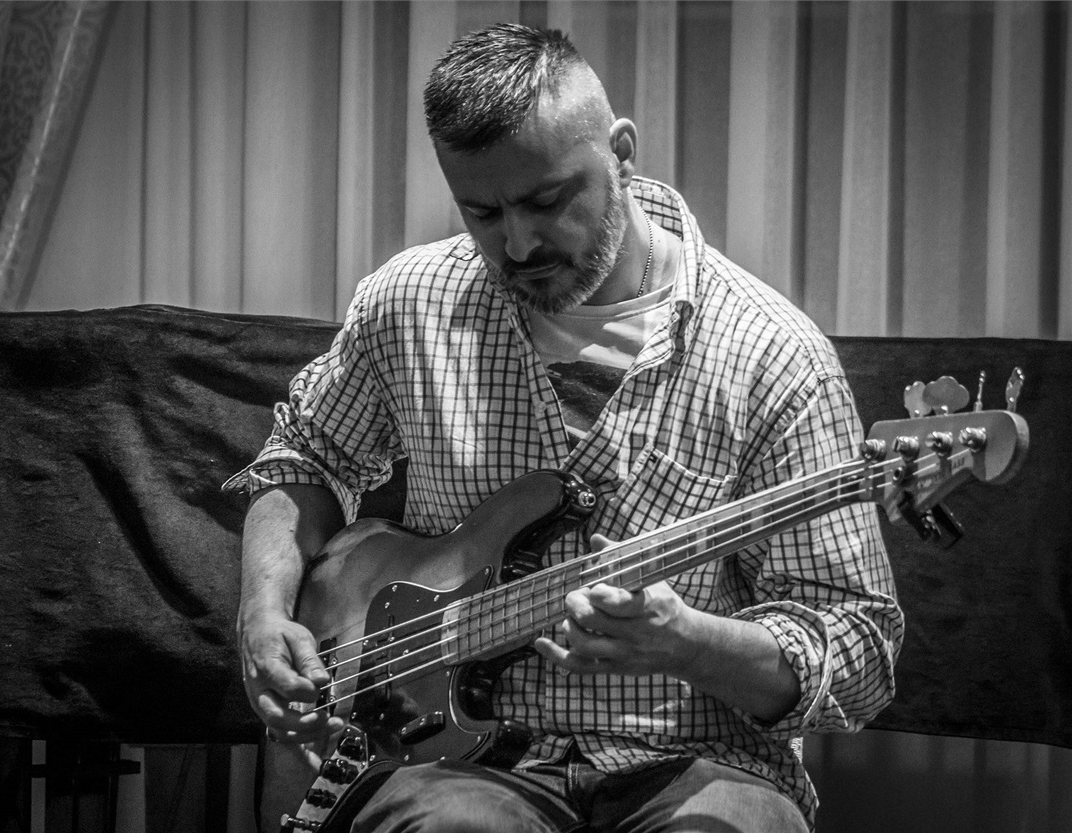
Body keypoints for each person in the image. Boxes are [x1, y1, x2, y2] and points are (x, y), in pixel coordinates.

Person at [227, 22, 902, 833]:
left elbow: (857, 651)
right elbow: (303, 456)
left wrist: (692, 643)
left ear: (622, 153)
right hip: (450, 763)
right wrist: (263, 613)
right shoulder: (408, 303)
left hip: (698, 763)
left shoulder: (773, 354)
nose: (517, 243)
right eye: (483, 212)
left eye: (547, 201)